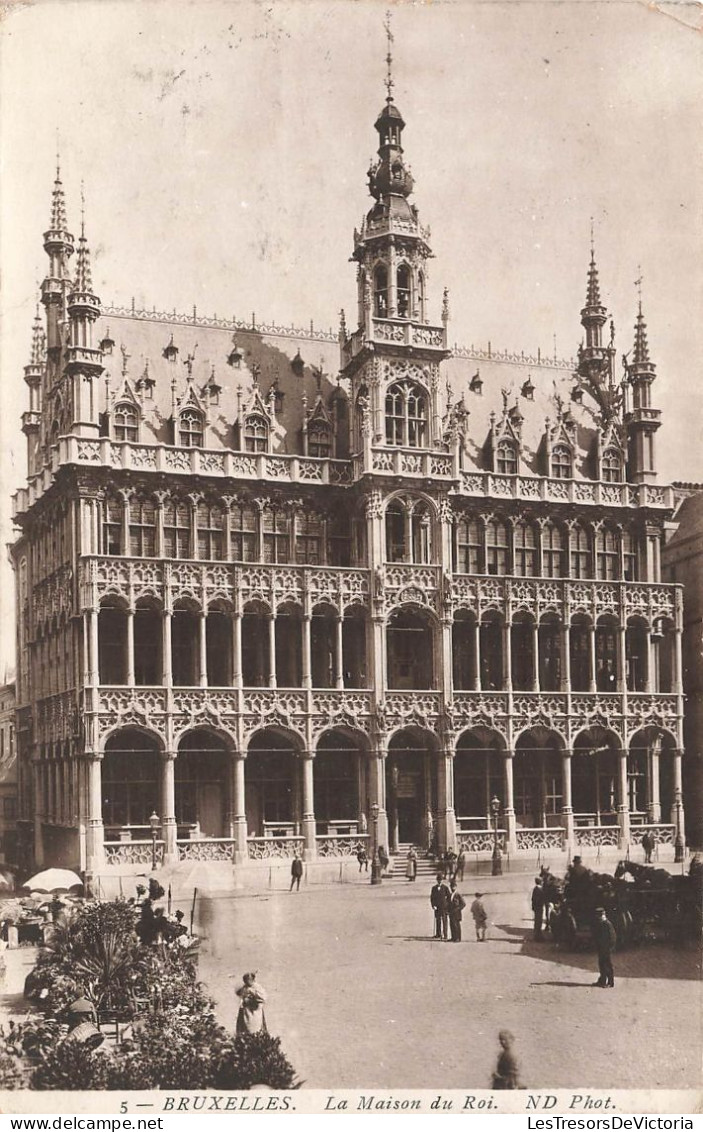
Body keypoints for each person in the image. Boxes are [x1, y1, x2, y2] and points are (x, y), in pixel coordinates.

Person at [593, 907, 616, 988]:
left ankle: (610, 982)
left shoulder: (607, 924)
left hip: (606, 948)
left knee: (607, 965)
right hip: (602, 948)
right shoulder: (601, 923)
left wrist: (610, 947)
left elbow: (612, 937)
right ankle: (602, 981)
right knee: (602, 964)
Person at [430, 872, 451, 940]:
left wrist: (447, 905)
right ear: (437, 880)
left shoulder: (445, 888)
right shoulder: (434, 888)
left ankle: (445, 935)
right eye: (438, 880)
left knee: (444, 921)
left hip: (444, 907)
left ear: (442, 880)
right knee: (438, 920)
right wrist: (433, 905)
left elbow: (449, 897)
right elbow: (432, 898)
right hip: (437, 907)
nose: (439, 881)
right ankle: (438, 934)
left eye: (441, 880)